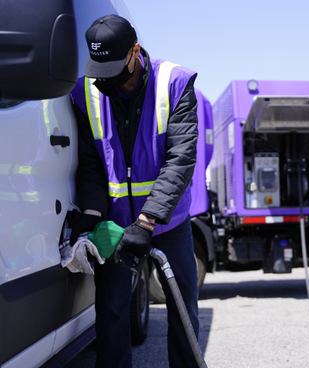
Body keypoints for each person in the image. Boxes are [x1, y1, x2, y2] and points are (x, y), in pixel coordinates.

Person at [69, 14, 199, 368]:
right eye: (101, 70)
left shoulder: (173, 83)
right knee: (111, 313)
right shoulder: (86, 92)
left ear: (135, 52)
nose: (107, 80)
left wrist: (148, 220)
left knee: (182, 310)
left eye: (115, 69)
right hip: (114, 224)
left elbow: (181, 159)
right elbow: (92, 163)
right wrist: (92, 212)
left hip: (168, 223)